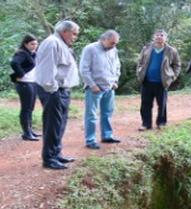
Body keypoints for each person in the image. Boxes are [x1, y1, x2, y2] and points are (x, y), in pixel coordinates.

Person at [35, 20, 80, 170]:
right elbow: (47, 69)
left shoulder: (61, 44)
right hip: (53, 90)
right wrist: (53, 90)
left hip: (62, 90)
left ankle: (56, 153)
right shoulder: (52, 43)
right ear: (64, 31)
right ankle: (49, 158)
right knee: (53, 125)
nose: (75, 37)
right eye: (74, 34)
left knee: (60, 124)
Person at [80, 30, 121, 149]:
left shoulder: (113, 50)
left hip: (109, 87)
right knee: (91, 115)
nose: (114, 45)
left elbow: (117, 65)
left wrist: (115, 81)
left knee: (107, 113)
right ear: (104, 39)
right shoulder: (90, 49)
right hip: (94, 88)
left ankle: (107, 136)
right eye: (112, 42)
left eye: (115, 43)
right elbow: (84, 69)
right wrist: (92, 85)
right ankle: (90, 140)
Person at [137, 29, 181, 131]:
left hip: (162, 82)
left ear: (165, 38)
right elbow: (140, 62)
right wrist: (139, 73)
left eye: (162, 35)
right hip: (147, 81)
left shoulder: (171, 50)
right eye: (157, 35)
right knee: (145, 104)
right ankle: (145, 124)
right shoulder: (146, 48)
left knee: (162, 104)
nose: (159, 37)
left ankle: (161, 123)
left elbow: (177, 65)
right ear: (154, 37)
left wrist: (172, 77)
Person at [10, 34, 40, 141]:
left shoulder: (32, 54)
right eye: (32, 44)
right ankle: (26, 133)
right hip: (24, 83)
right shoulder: (22, 53)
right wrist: (21, 74)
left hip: (32, 82)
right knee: (26, 109)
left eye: (36, 44)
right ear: (25, 44)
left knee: (30, 108)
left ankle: (29, 130)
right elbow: (14, 63)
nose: (34, 46)